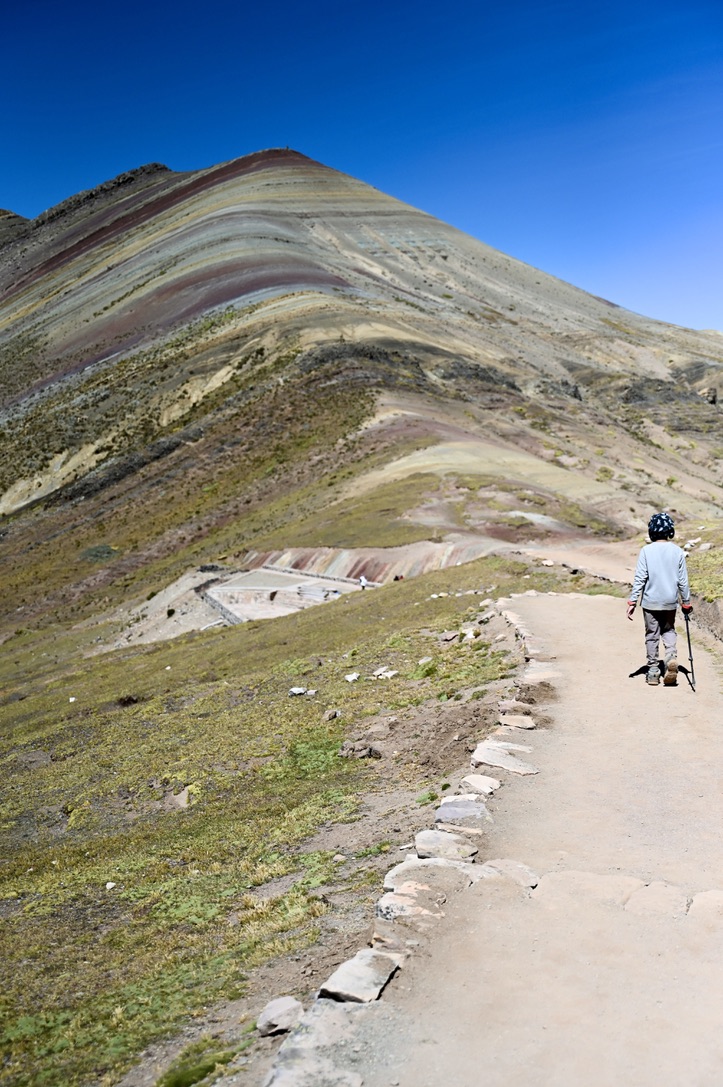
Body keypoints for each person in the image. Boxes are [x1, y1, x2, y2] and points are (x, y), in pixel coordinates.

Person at [627, 512, 692, 686]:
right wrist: (686, 602)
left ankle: (654, 671)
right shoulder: (677, 551)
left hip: (650, 602)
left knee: (652, 635)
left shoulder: (646, 551)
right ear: (670, 531)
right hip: (670, 601)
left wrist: (632, 601)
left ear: (651, 531)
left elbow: (640, 578)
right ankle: (671, 658)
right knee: (669, 631)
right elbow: (683, 581)